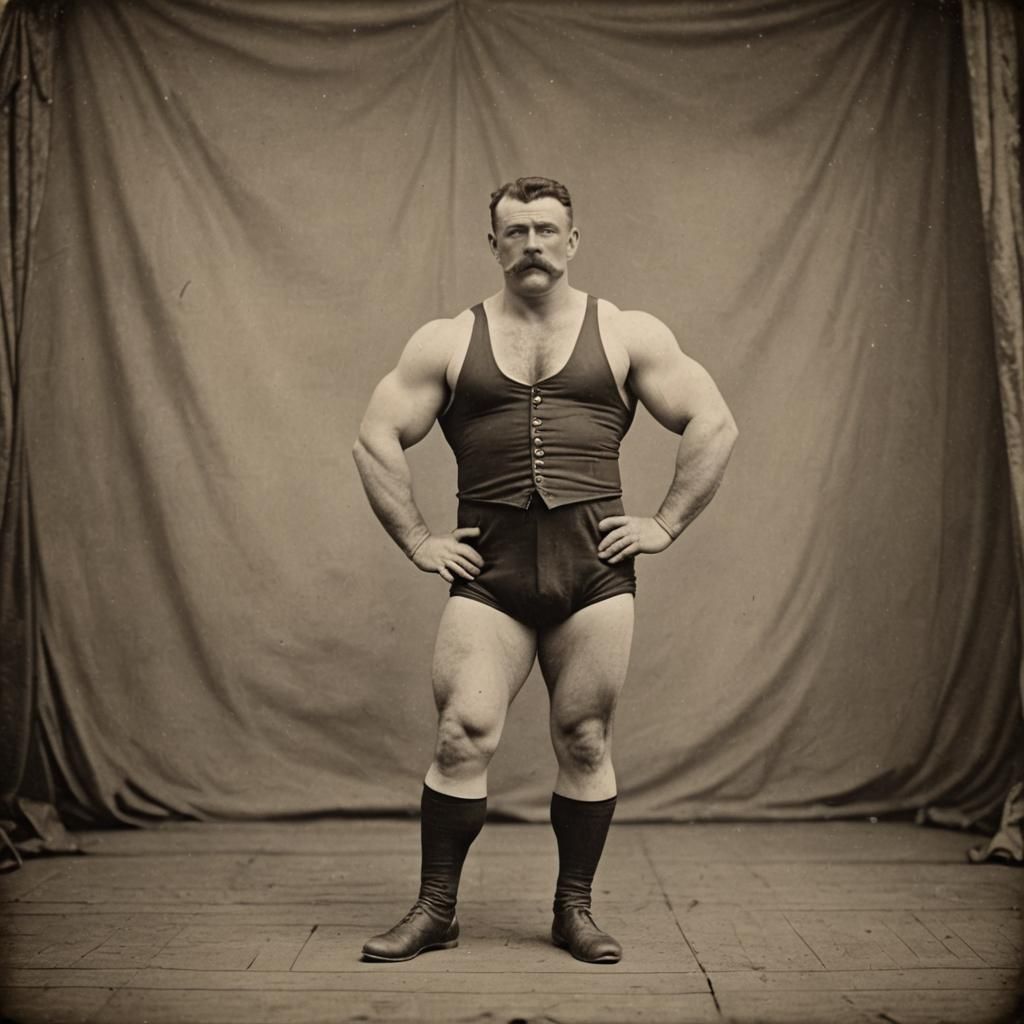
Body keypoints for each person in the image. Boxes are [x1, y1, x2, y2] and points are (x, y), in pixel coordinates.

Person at [352, 176, 737, 964]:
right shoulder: (448, 339)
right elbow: (375, 436)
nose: (532, 242)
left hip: (591, 576)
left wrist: (664, 524)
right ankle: (435, 910)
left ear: (573, 240)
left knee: (585, 739)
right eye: (515, 230)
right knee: (463, 734)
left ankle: (574, 911)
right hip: (489, 577)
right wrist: (420, 539)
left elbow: (714, 420)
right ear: (492, 244)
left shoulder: (627, 332)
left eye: (546, 229)